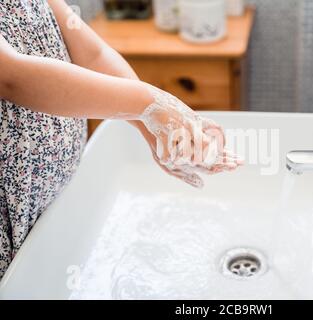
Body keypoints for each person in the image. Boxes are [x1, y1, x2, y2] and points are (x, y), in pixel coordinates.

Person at [0, 0, 241, 280]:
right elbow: (11, 76)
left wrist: (152, 127)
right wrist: (152, 103)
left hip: (52, 205)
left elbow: (92, 53)